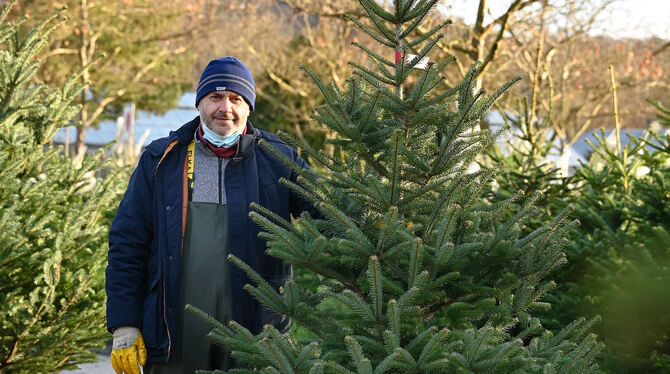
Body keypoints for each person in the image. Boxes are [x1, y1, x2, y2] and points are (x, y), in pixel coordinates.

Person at [105, 56, 316, 374]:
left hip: (256, 334)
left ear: (248, 107)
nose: (225, 108)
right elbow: (128, 244)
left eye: (236, 98)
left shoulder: (279, 161)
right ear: (199, 103)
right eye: (215, 97)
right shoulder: (162, 160)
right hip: (173, 335)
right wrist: (124, 325)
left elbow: (332, 219)